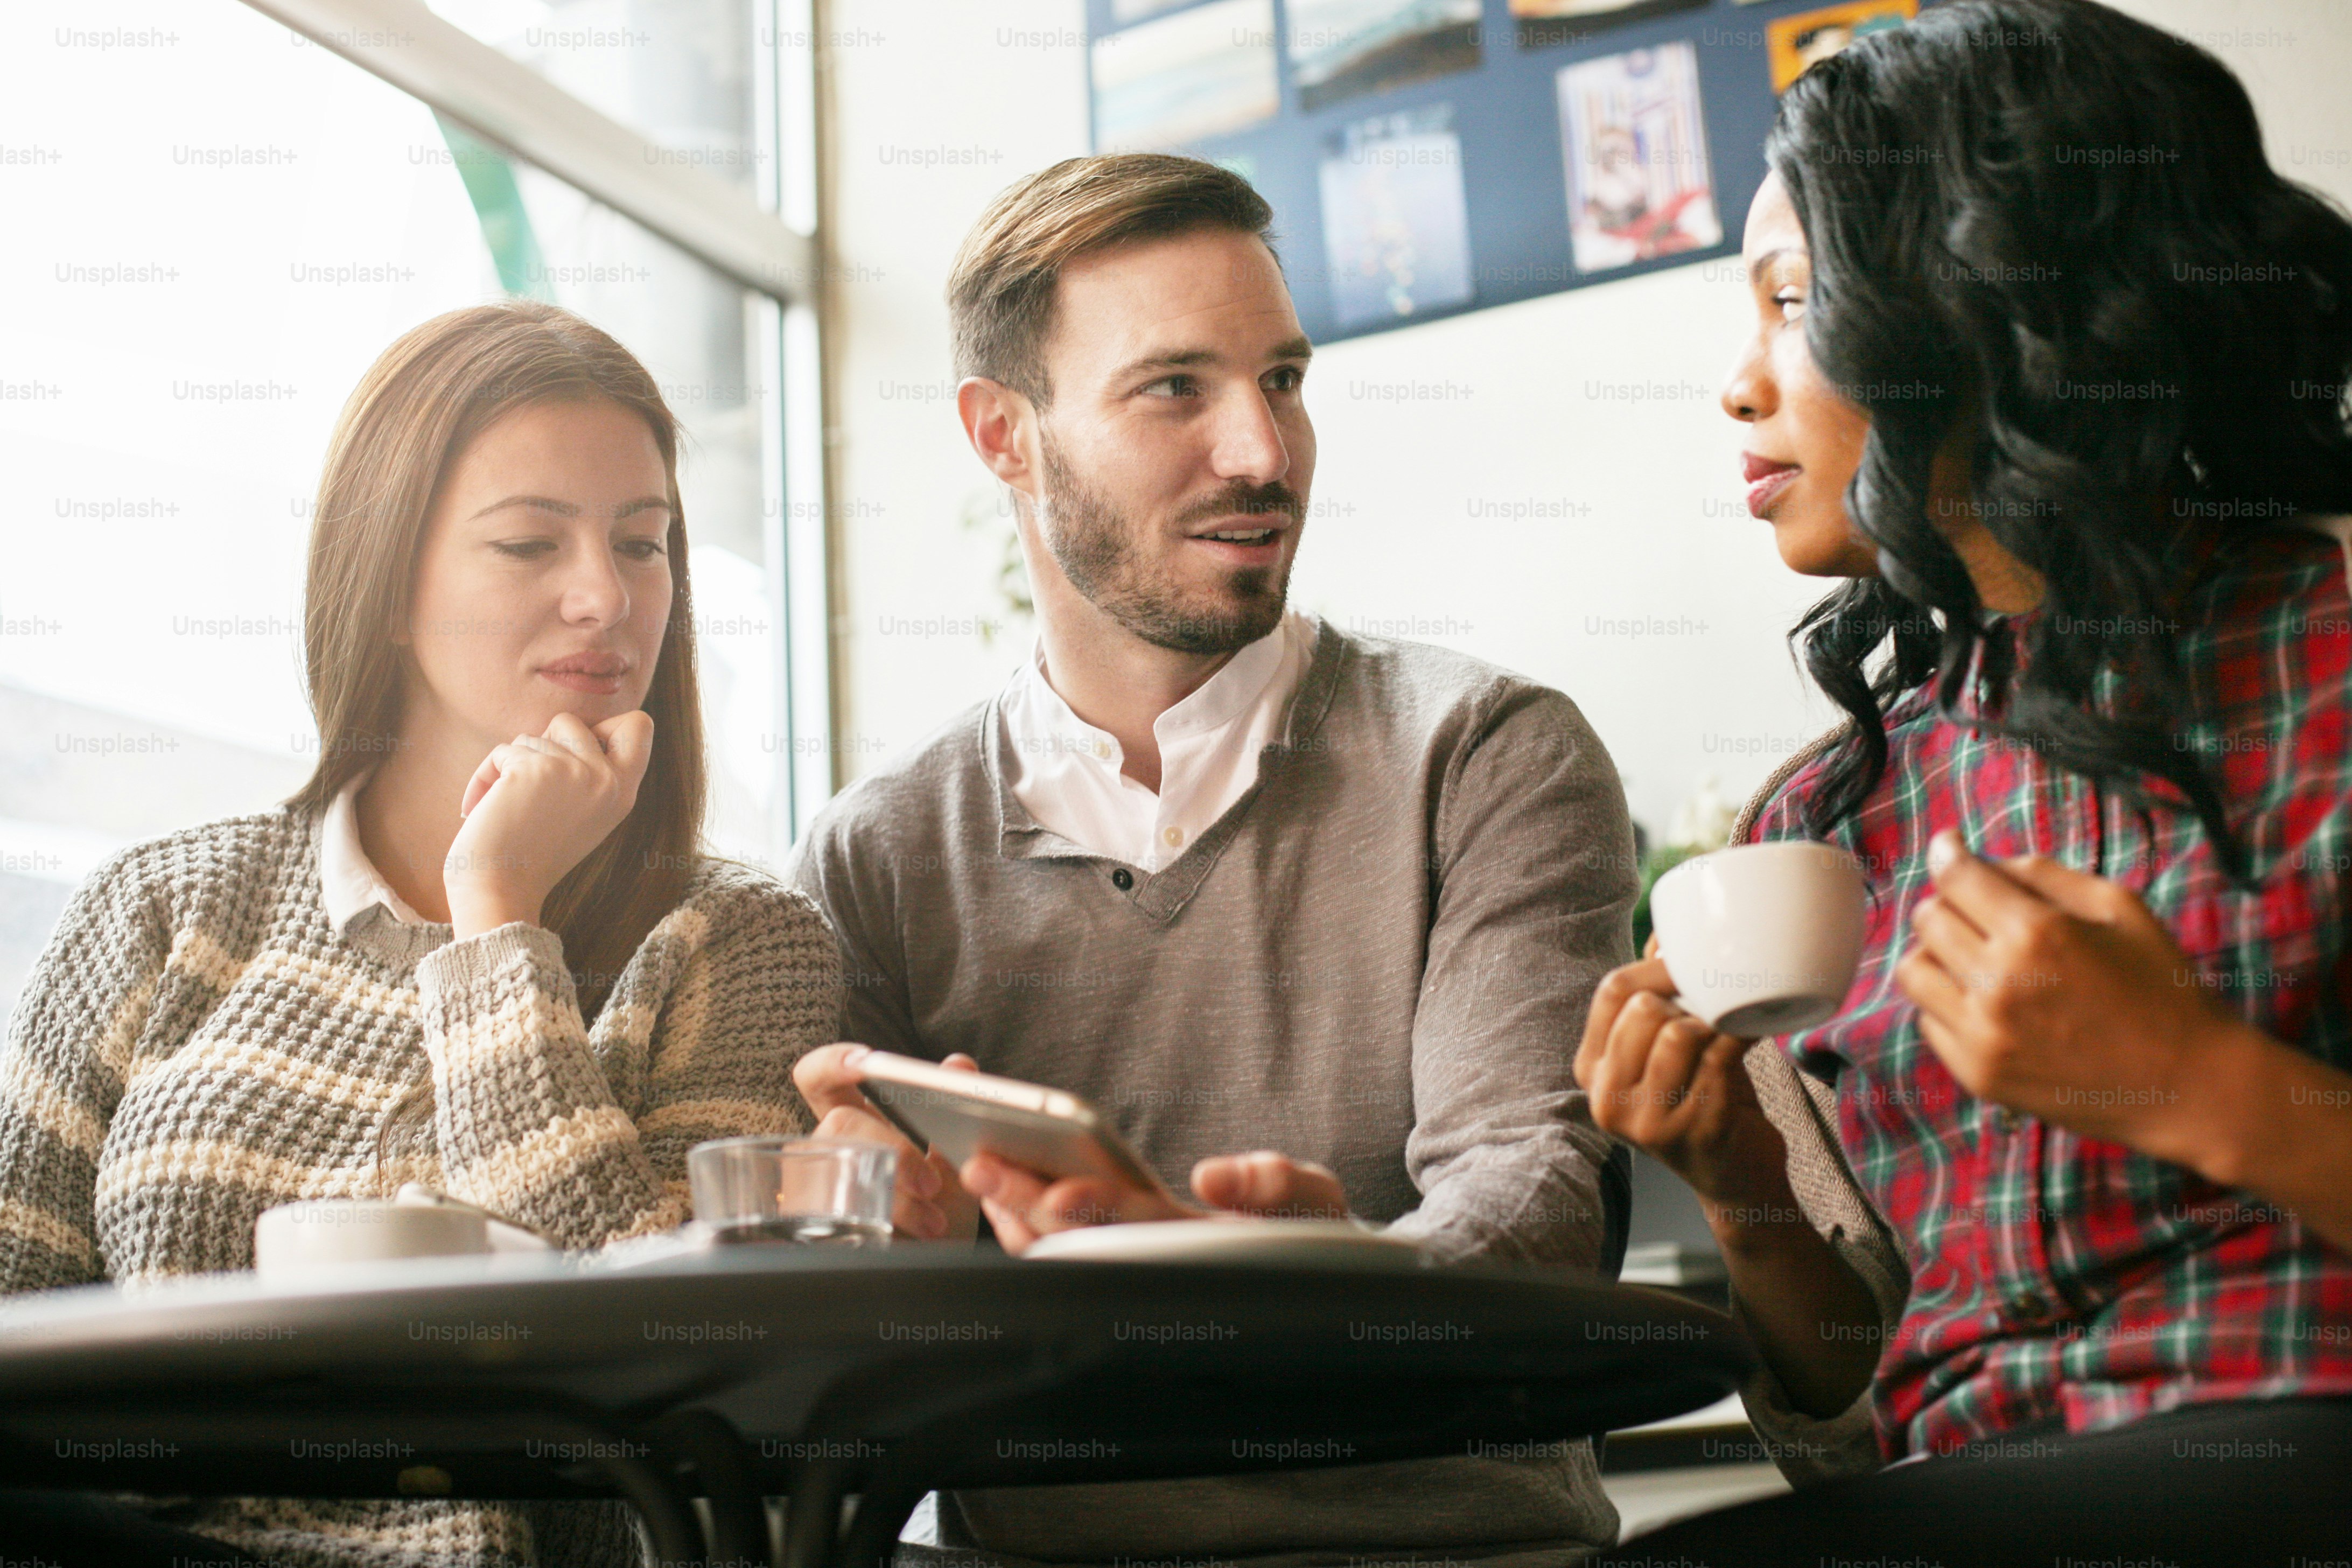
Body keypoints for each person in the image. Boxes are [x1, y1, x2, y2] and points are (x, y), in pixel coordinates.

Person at [1577, 3, 2352, 1561]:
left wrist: (2202, 1084)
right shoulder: (1824, 819)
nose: (1737, 386)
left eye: (1793, 298)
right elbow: (1850, 1424)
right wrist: (1743, 1194)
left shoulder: (2328, 649)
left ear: (1999, 295)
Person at [786, 153, 1640, 1563]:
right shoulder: (875, 855)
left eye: (1285, 381)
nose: (1263, 452)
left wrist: (1315, 1280)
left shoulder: (1487, 756)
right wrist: (871, 1226)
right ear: (1004, 435)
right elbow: (855, 1359)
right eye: (1175, 386)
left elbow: (1535, 1202)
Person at [0, 301, 839, 1567]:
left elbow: (674, 1358)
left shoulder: (739, 940)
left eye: (644, 543)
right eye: (527, 545)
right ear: (387, 584)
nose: (605, 598)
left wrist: (498, 908)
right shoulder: (162, 909)